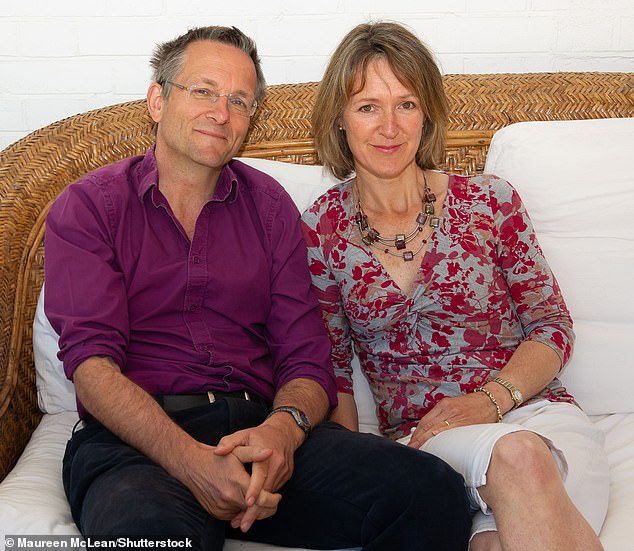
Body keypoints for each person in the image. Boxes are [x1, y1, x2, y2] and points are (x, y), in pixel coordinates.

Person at [44, 25, 472, 551]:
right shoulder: (89, 207)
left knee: (432, 492)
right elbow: (91, 369)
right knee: (148, 538)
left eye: (240, 101)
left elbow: (308, 360)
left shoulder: (270, 208)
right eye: (203, 91)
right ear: (157, 100)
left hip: (261, 435)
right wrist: (195, 464)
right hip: (138, 446)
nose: (220, 113)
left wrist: (282, 434)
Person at [302, 21, 610, 551]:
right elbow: (333, 371)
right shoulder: (320, 231)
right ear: (339, 119)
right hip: (429, 448)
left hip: (542, 418)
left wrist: (492, 401)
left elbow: (551, 327)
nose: (389, 127)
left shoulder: (491, 202)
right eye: (368, 106)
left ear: (427, 115)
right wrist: (358, 470)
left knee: (507, 501)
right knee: (515, 455)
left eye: (407, 103)